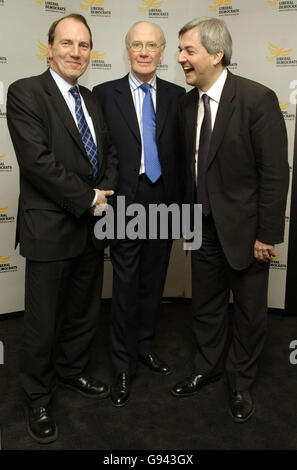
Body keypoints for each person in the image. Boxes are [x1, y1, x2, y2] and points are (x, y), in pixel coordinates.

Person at [6, 14, 118, 443]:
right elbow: (38, 163)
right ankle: (37, 397)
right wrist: (91, 198)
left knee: (83, 312)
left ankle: (72, 372)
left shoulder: (90, 99)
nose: (76, 52)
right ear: (48, 47)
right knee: (41, 322)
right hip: (51, 228)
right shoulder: (25, 93)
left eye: (84, 45)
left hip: (91, 227)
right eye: (67, 43)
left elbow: (106, 152)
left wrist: (105, 189)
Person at [171, 17, 289, 422]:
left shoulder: (257, 99)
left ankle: (240, 384)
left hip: (247, 233)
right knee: (205, 307)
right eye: (181, 50)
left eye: (189, 50)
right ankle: (208, 367)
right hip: (200, 228)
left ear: (216, 54)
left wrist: (267, 233)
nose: (180, 58)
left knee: (251, 312)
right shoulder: (188, 105)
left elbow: (275, 171)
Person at [93, 21, 185, 407]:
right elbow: (97, 151)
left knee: (153, 280)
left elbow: (185, 156)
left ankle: (145, 345)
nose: (144, 52)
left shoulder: (179, 96)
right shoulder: (102, 94)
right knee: (125, 284)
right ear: (126, 50)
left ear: (163, 52)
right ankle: (122, 364)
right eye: (137, 45)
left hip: (165, 200)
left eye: (152, 45)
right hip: (123, 203)